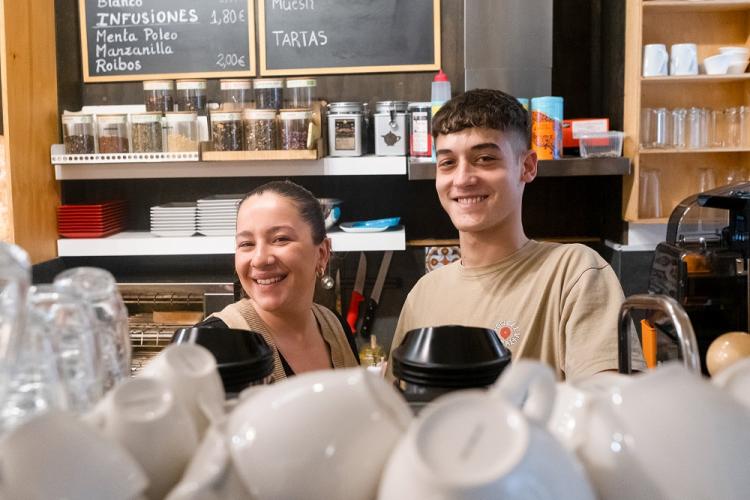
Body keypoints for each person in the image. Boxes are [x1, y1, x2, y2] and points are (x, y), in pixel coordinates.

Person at [388, 89, 644, 381]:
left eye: (484, 158)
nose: (462, 179)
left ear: (527, 166)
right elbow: (397, 412)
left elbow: (608, 405)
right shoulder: (424, 295)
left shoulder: (573, 273)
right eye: (447, 163)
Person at [198, 180, 359, 381]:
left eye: (280, 239)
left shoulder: (335, 327)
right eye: (246, 244)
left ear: (322, 253)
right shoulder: (211, 343)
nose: (259, 259)